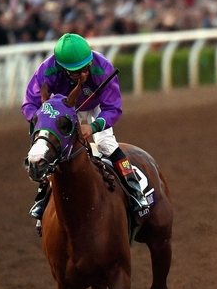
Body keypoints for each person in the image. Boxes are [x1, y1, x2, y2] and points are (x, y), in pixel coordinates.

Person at [22, 33, 149, 228]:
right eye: (76, 72)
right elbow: (30, 103)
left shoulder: (102, 67)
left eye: (86, 69)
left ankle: (135, 191)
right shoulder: (47, 71)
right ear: (62, 68)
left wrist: (94, 126)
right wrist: (44, 121)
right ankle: (42, 199)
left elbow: (113, 107)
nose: (84, 75)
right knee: (51, 152)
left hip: (94, 109)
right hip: (60, 111)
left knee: (106, 144)